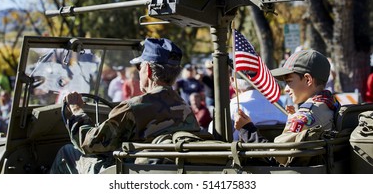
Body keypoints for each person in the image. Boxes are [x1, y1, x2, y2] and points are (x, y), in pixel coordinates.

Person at [50, 38, 200, 174]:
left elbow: (90, 145)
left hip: (130, 174)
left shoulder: (133, 108)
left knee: (68, 152)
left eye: (139, 67)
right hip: (167, 172)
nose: (138, 72)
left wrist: (76, 111)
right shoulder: (186, 109)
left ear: (147, 69)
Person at [234, 49, 340, 166]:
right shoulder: (331, 103)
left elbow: (274, 156)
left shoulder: (306, 115)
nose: (286, 89)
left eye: (289, 82)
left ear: (308, 79)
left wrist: (246, 129)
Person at [229, 76, 287, 141]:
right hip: (278, 148)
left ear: (233, 81)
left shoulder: (234, 106)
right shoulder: (278, 104)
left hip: (245, 149)